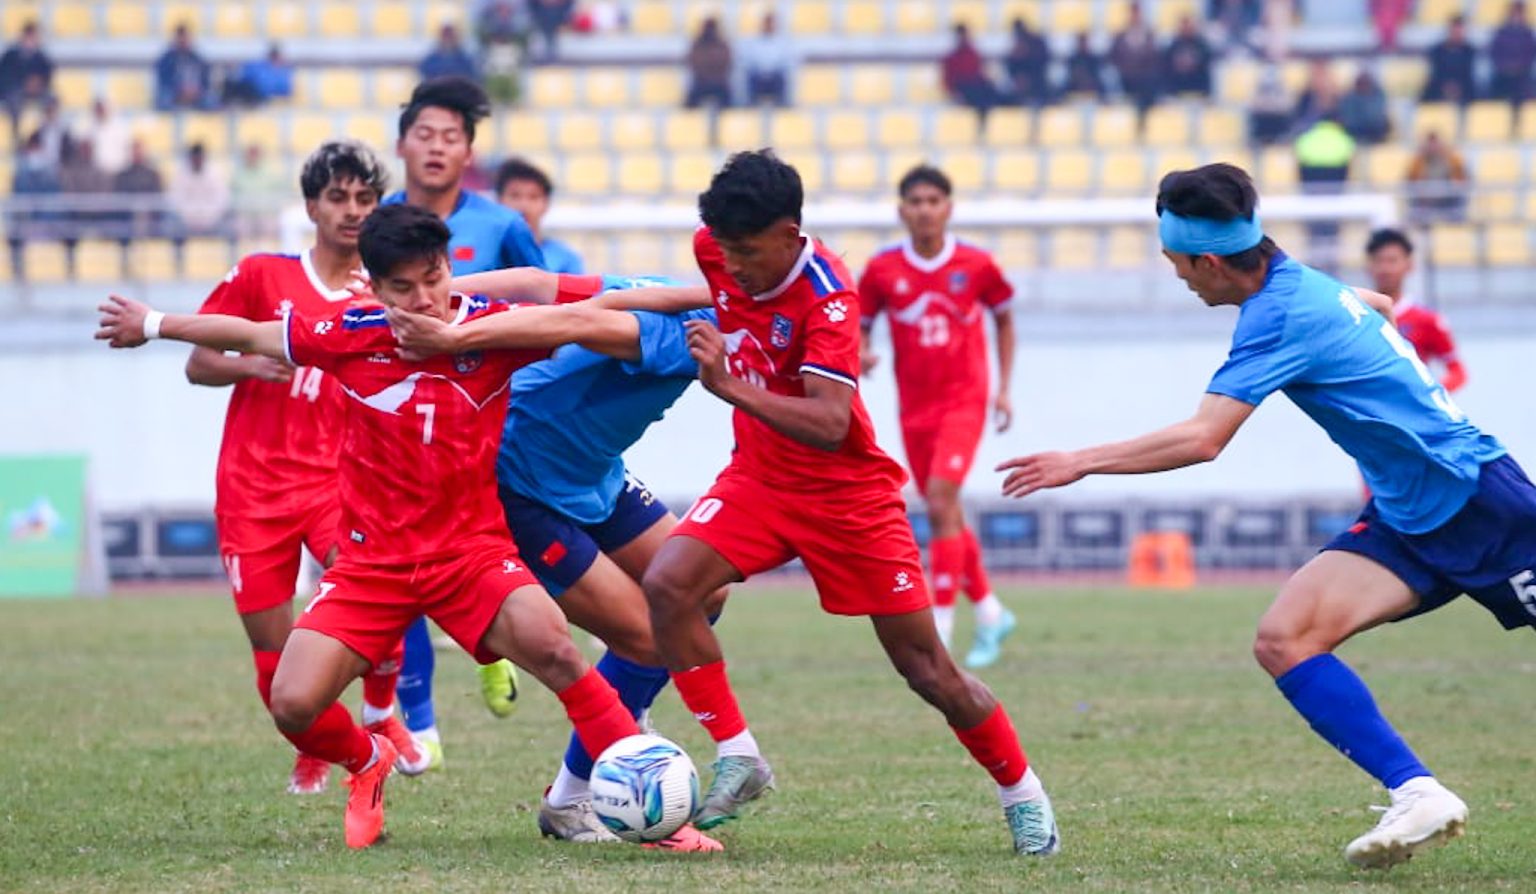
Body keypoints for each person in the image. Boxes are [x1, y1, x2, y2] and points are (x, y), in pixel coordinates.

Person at [997, 162, 1533, 869]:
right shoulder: (1300, 282)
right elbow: (1378, 305)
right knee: (1285, 638)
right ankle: (1418, 793)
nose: (1181, 279)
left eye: (1179, 265)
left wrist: (1081, 461)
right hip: (1412, 517)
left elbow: (1203, 439)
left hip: (1482, 505)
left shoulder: (1279, 313)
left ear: (1212, 261)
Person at [94, 202, 642, 851]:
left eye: (434, 277)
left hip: (470, 556)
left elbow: (596, 322)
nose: (426, 298)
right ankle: (366, 760)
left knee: (555, 648)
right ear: (376, 290)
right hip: (371, 567)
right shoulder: (348, 331)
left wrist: (702, 307)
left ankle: (656, 806)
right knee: (291, 703)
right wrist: (153, 323)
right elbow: (252, 333)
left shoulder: (492, 331)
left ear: (449, 269)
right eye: (404, 288)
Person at [624, 150, 1059, 855]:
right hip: (760, 478)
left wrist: (730, 388)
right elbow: (703, 293)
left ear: (791, 233)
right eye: (725, 252)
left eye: (748, 252)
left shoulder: (830, 294)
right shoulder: (715, 248)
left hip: (847, 496)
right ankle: (739, 754)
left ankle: (1023, 793)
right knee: (668, 583)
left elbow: (830, 423)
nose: (732, 267)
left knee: (928, 671)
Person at [388, 266, 725, 850]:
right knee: (647, 639)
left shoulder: (670, 292)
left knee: (702, 591)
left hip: (593, 476)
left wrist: (450, 290)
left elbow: (535, 279)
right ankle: (574, 797)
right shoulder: (687, 332)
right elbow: (568, 315)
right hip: (525, 480)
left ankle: (625, 723)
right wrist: (440, 311)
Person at [177, 141, 429, 795]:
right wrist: (248, 363)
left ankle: (381, 715)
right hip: (252, 490)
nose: (351, 211)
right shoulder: (263, 275)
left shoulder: (383, 287)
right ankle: (331, 749)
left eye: (365, 199)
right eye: (337, 197)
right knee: (273, 660)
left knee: (379, 597)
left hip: (338, 482)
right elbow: (197, 362)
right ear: (311, 204)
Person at [384, 75, 545, 766]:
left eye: (451, 137)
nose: (436, 147)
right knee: (402, 566)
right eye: (425, 134)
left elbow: (542, 313)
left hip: (482, 430)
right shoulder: (378, 224)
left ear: (468, 151)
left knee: (475, 560)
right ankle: (420, 722)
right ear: (402, 144)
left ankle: (489, 650)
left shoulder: (500, 226)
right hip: (396, 432)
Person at [857, 165, 1018, 668]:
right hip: (915, 407)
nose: (925, 209)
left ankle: (941, 625)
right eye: (916, 201)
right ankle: (990, 610)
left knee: (944, 496)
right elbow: (859, 324)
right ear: (902, 210)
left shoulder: (976, 264)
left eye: (934, 200)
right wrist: (862, 352)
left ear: (948, 207)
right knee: (942, 509)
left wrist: (1004, 389)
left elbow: (1004, 317)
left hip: (965, 399)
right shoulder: (882, 270)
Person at [1364, 228, 1467, 393]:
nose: (1385, 268)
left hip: (1409, 414)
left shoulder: (1427, 320)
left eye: (1392, 261)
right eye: (1378, 260)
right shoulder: (1355, 314)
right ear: (1369, 265)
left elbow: (1457, 371)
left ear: (1409, 265)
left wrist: (1431, 395)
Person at [494, 158, 583, 273]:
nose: (523, 205)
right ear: (499, 201)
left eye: (533, 197)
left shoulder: (565, 259)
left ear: (546, 204)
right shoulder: (485, 254)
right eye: (515, 196)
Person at [0, 20, 54, 138]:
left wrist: (38, 83)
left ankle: (45, 137)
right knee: (14, 103)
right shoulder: (10, 55)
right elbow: (4, 77)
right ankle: (16, 137)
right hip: (14, 92)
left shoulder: (41, 57)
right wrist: (23, 84)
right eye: (32, 36)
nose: (34, 40)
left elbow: (47, 75)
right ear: (25, 36)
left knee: (51, 99)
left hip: (36, 91)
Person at [942, 22, 1004, 123]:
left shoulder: (973, 54)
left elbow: (980, 73)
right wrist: (956, 94)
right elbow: (948, 81)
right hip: (964, 89)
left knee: (996, 95)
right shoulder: (951, 58)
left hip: (977, 86)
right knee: (981, 99)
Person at [1110, 3, 1163, 119]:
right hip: (1126, 78)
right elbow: (1114, 58)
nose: (1135, 16)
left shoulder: (1149, 36)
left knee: (1150, 83)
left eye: (1137, 13)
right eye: (1132, 13)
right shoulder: (1120, 36)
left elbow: (1154, 59)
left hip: (1145, 78)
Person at [1405, 130, 1469, 222]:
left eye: (1435, 143)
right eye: (1430, 144)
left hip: (1448, 201)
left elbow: (1462, 179)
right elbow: (1410, 181)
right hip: (1425, 203)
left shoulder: (1452, 159)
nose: (1433, 147)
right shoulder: (1418, 161)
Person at [232, 143, 287, 240]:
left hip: (266, 214)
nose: (252, 157)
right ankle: (245, 252)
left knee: (271, 227)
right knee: (239, 228)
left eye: (255, 154)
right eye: (250, 154)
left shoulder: (270, 174)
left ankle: (267, 253)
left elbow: (280, 194)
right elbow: (232, 196)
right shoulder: (238, 175)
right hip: (245, 215)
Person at [154, 23, 216, 111]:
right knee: (164, 100)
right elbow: (164, 81)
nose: (183, 41)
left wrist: (196, 90)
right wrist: (180, 89)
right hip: (174, 93)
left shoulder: (198, 59)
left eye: (186, 38)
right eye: (181, 38)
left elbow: (205, 80)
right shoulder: (166, 59)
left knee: (211, 100)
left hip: (196, 94)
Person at [739, 11, 794, 107]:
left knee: (783, 79)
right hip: (758, 76)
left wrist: (772, 70)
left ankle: (783, 109)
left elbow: (785, 62)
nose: (768, 26)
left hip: (775, 76)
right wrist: (761, 70)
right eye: (766, 23)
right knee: (749, 78)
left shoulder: (782, 43)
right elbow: (749, 61)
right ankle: (750, 108)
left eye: (771, 23)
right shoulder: (754, 42)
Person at [1488, 1, 1536, 103]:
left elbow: (1531, 55)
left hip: (1522, 75)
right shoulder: (1501, 32)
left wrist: (1519, 67)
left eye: (1519, 13)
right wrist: (1506, 66)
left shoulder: (1527, 34)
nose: (1516, 17)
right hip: (1503, 74)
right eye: (1514, 13)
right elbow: (1495, 53)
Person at [1423, 16, 1477, 104]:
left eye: (1459, 30)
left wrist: (1457, 89)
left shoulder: (1470, 51)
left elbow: (1468, 74)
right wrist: (1446, 88)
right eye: (1454, 30)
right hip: (1439, 88)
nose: (1457, 33)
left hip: (1464, 90)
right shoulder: (1437, 51)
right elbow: (1437, 73)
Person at [71, 98, 131, 176]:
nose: (100, 111)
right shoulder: (88, 130)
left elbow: (127, 153)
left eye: (102, 109)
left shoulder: (121, 129)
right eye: (98, 109)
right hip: (96, 175)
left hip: (118, 173)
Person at [684, 17, 733, 109]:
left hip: (719, 82)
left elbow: (727, 63)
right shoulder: (697, 44)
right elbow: (693, 63)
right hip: (701, 82)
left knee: (729, 102)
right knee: (689, 105)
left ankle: (726, 120)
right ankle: (690, 121)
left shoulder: (722, 44)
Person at [1003, 17, 1052, 107]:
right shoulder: (1015, 51)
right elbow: (1011, 67)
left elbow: (1043, 62)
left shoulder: (1036, 44)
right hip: (1019, 90)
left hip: (1038, 85)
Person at [228, 44, 294, 106]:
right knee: (231, 83)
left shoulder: (284, 72)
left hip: (264, 97)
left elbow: (285, 90)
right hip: (251, 94)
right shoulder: (259, 66)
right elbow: (245, 74)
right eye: (275, 57)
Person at [1163, 16, 1213, 98]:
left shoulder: (1202, 45)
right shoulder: (1173, 46)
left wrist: (1193, 62)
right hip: (1176, 91)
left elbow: (1206, 61)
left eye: (1189, 25)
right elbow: (1168, 65)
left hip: (1199, 89)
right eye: (1184, 25)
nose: (1187, 28)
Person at [1337, 71, 1391, 144]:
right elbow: (1349, 122)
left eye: (1366, 83)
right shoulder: (1349, 99)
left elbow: (1378, 120)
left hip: (1376, 137)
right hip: (1354, 137)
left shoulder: (1378, 96)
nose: (1364, 86)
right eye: (1362, 83)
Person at [1063, 32, 1107, 101]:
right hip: (1075, 88)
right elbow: (1071, 77)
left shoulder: (1094, 60)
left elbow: (1096, 76)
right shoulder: (1072, 60)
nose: (1083, 44)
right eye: (1081, 42)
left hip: (1092, 88)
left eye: (1084, 42)